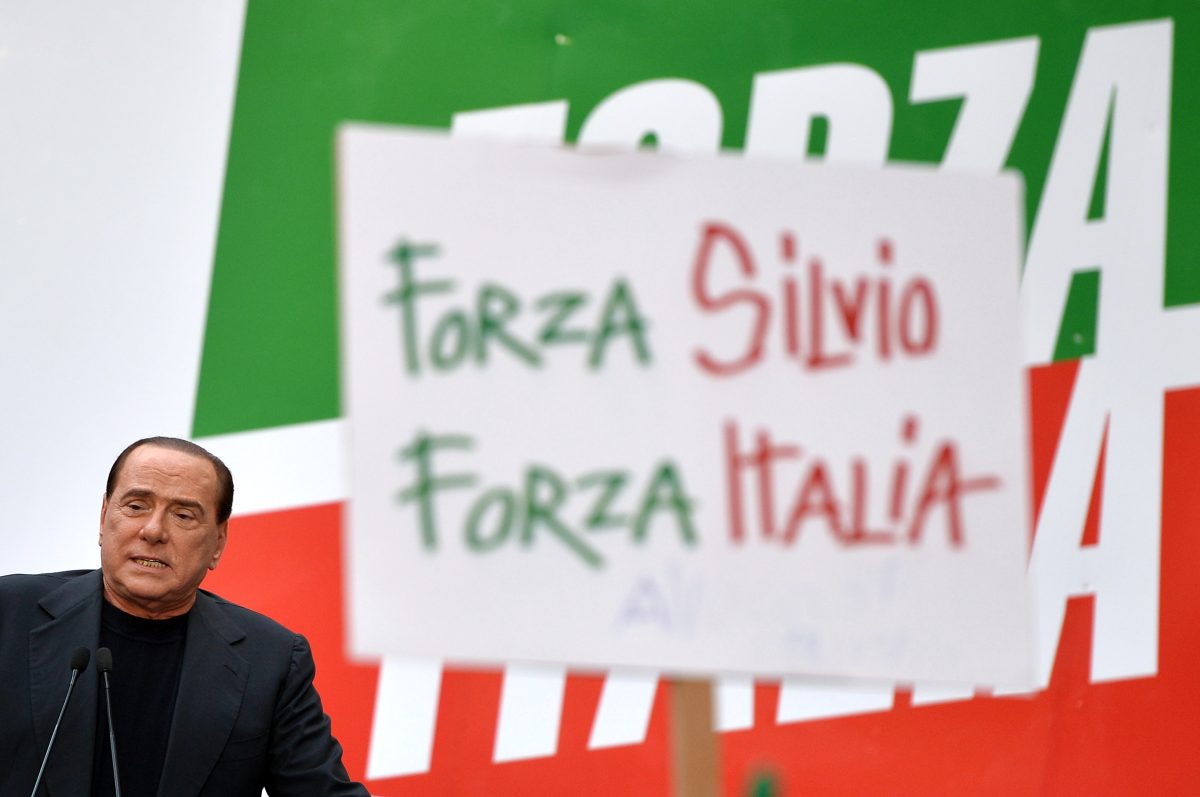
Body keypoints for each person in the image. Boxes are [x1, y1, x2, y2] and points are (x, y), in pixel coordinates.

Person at [0, 436, 369, 796]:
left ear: (218, 543)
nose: (153, 530)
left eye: (183, 515)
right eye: (136, 506)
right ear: (103, 516)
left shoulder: (270, 661)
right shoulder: (11, 613)